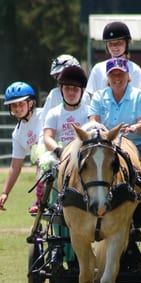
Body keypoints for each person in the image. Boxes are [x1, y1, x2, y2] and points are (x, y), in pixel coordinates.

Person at [43, 65, 89, 268]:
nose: (71, 92)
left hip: (84, 158)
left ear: (81, 91)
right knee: (52, 172)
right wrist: (60, 151)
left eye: (75, 89)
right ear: (61, 89)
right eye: (67, 88)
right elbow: (47, 137)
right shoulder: (54, 112)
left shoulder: (89, 112)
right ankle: (58, 246)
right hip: (62, 158)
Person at [89, 57, 141, 157]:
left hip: (134, 146)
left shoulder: (139, 95)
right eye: (113, 75)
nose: (117, 78)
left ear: (128, 76)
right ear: (108, 78)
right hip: (106, 145)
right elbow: (93, 122)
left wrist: (134, 128)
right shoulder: (98, 96)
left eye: (121, 74)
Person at [0, 82, 44, 212]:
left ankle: (39, 200)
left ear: (31, 103)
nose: (17, 108)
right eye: (13, 105)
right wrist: (5, 192)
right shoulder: (17, 134)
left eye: (21, 104)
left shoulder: (44, 114)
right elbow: (15, 166)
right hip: (46, 173)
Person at [86, 21, 141, 98]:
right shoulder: (98, 69)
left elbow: (136, 98)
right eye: (110, 44)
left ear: (127, 42)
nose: (114, 47)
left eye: (119, 43)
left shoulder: (135, 70)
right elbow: (91, 97)